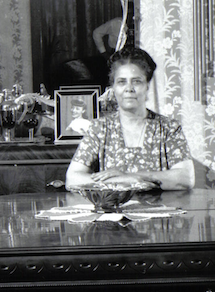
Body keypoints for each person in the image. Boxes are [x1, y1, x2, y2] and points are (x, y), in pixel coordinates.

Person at [65, 47, 195, 191]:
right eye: (121, 82)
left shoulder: (168, 128)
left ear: (147, 86)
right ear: (113, 87)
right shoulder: (100, 128)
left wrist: (132, 176)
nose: (129, 88)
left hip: (161, 210)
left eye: (137, 81)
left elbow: (185, 178)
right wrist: (126, 180)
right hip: (114, 212)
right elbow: (73, 179)